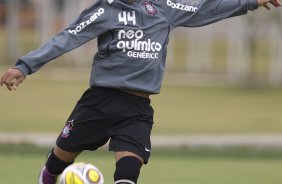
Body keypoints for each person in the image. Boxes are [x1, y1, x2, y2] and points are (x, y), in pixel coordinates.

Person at [1, 0, 281, 183]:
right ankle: (46, 178)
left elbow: (206, 8)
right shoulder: (106, 10)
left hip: (136, 109)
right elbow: (67, 38)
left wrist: (251, 2)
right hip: (99, 102)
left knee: (128, 173)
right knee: (59, 160)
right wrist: (25, 67)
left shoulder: (163, 8)